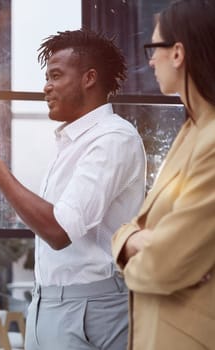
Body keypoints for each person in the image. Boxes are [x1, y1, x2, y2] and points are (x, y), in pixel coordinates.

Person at [0, 29, 146, 349]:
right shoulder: (73, 142)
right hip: (48, 304)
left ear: (89, 78)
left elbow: (57, 230)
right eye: (46, 77)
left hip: (89, 309)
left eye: (56, 75)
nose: (46, 87)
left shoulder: (112, 139)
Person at [112, 0, 215, 349]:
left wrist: (135, 244)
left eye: (154, 48)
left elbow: (163, 265)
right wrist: (131, 239)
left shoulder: (211, 140)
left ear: (178, 53)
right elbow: (146, 236)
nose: (150, 59)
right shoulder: (192, 131)